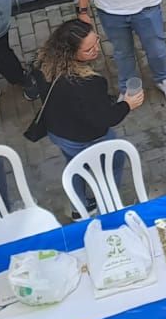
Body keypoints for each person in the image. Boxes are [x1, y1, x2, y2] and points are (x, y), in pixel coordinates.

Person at [33, 19, 143, 212]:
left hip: (58, 131)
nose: (96, 50)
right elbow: (105, 118)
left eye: (97, 41)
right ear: (70, 52)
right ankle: (108, 206)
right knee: (113, 164)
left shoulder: (44, 63)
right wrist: (127, 104)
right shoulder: (88, 83)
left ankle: (79, 206)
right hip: (86, 138)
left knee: (74, 166)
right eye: (88, 49)